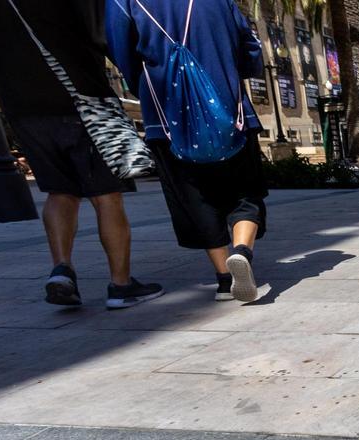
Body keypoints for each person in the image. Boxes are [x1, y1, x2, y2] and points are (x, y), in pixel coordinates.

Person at [0, 0, 163, 309]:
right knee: (107, 195)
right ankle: (121, 285)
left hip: (23, 108)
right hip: (82, 96)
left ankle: (61, 269)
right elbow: (105, 34)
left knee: (60, 190)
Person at [107, 0, 267, 304]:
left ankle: (224, 280)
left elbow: (121, 52)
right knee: (245, 192)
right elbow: (250, 48)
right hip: (230, 111)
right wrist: (232, 68)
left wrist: (143, 80)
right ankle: (242, 251)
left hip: (166, 117)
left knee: (195, 200)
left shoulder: (124, 2)